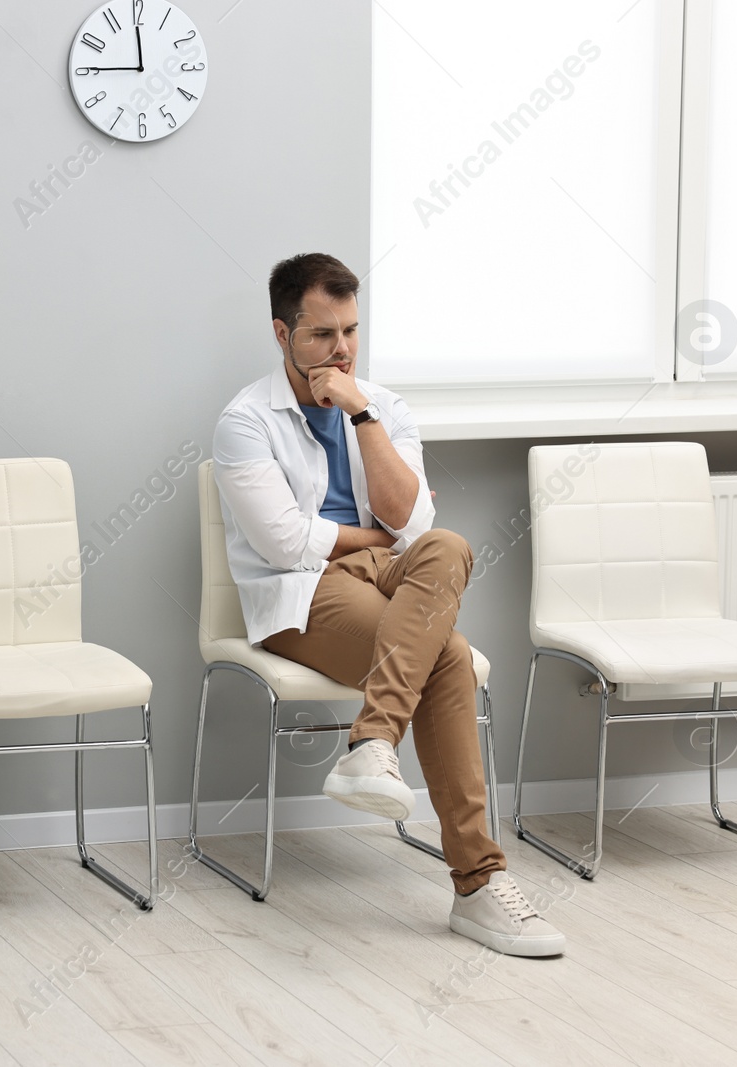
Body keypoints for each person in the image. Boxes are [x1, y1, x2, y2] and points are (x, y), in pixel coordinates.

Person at [211, 253, 564, 957]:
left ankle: (373, 743)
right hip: (303, 594)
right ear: (282, 334)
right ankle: (477, 883)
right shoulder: (245, 421)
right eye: (320, 335)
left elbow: (416, 526)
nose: (340, 350)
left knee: (450, 547)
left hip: (386, 579)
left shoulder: (383, 406)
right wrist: (373, 537)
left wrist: (359, 413)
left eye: (350, 331)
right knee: (449, 657)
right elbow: (284, 544)